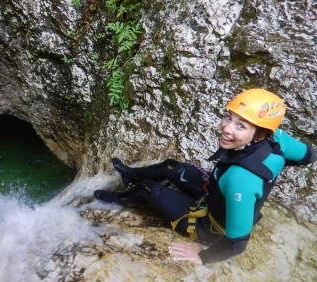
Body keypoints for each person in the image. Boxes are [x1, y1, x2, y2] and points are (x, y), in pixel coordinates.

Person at [94, 89, 316, 264]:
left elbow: (237, 243)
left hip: (209, 226)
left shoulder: (241, 179)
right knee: (170, 167)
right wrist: (273, 164)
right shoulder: (277, 139)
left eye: (240, 126)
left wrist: (203, 256)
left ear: (259, 134)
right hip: (215, 192)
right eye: (228, 118)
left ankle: (115, 200)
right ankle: (130, 175)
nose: (227, 129)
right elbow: (308, 156)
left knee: (150, 189)